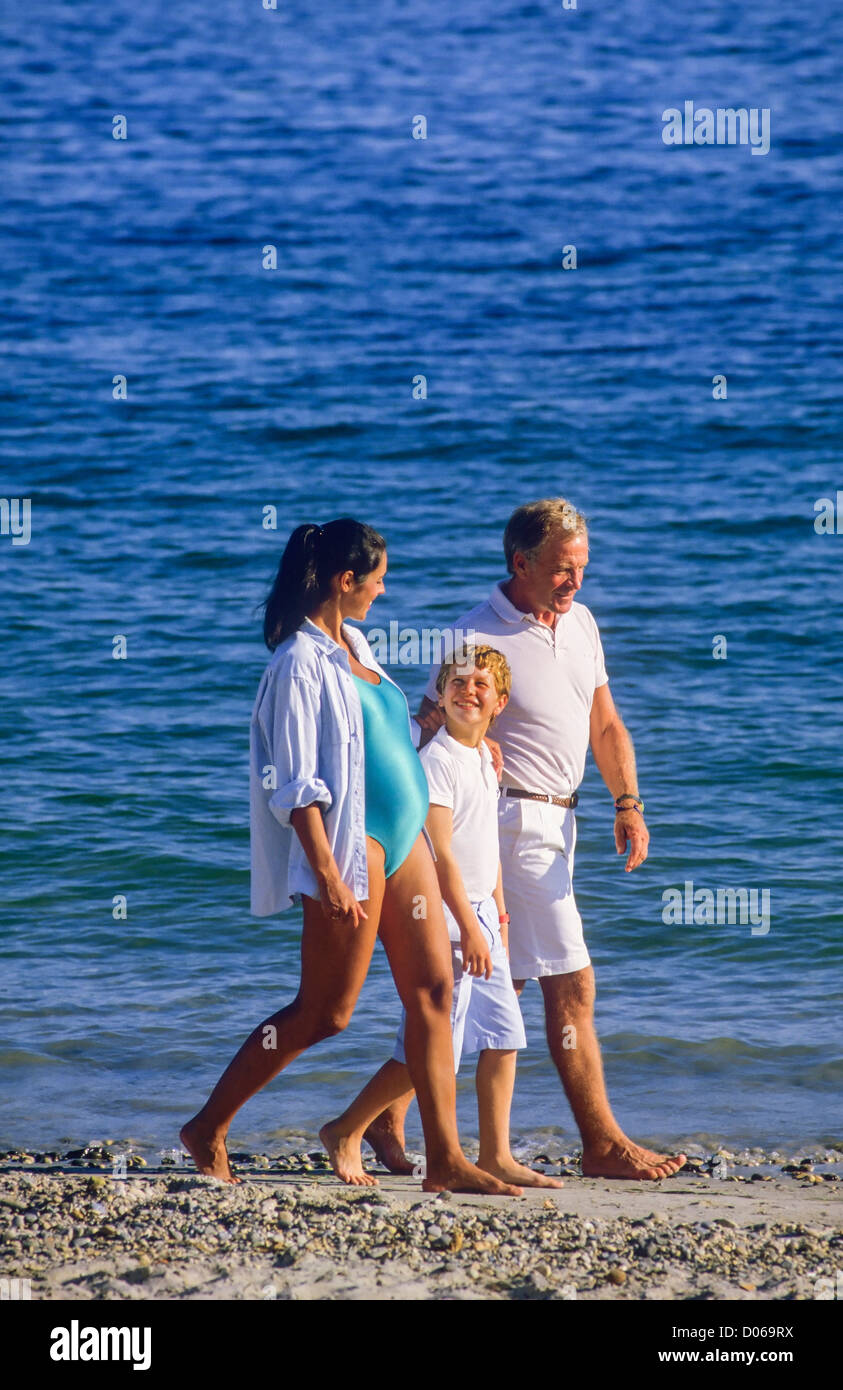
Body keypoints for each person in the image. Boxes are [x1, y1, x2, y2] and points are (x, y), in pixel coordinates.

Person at [180, 518, 519, 1195]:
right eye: (378, 578)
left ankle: (446, 1160)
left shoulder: (355, 644)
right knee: (325, 1012)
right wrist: (329, 874)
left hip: (407, 838)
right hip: (353, 846)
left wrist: (465, 735)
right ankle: (208, 1126)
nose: (383, 590)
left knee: (433, 991)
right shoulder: (298, 664)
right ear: (345, 580)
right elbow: (297, 783)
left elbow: (382, 736)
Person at [364, 499, 688, 1181]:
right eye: (563, 570)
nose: (576, 583)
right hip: (505, 824)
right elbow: (429, 730)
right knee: (570, 983)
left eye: (582, 569)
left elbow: (604, 725)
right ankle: (600, 1143)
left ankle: (376, 1120)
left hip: (559, 822)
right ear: (521, 563)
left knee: (481, 990)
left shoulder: (582, 625)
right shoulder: (474, 635)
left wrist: (626, 801)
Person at [321, 646, 563, 1190]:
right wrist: (471, 926)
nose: (467, 690)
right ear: (441, 694)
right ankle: (346, 1129)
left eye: (481, 684)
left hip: (482, 915)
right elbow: (444, 857)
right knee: (425, 1053)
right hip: (448, 919)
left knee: (504, 1037)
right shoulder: (437, 763)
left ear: (499, 702)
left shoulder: (483, 758)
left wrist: (498, 913)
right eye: (457, 682)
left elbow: (487, 847)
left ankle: (496, 1154)